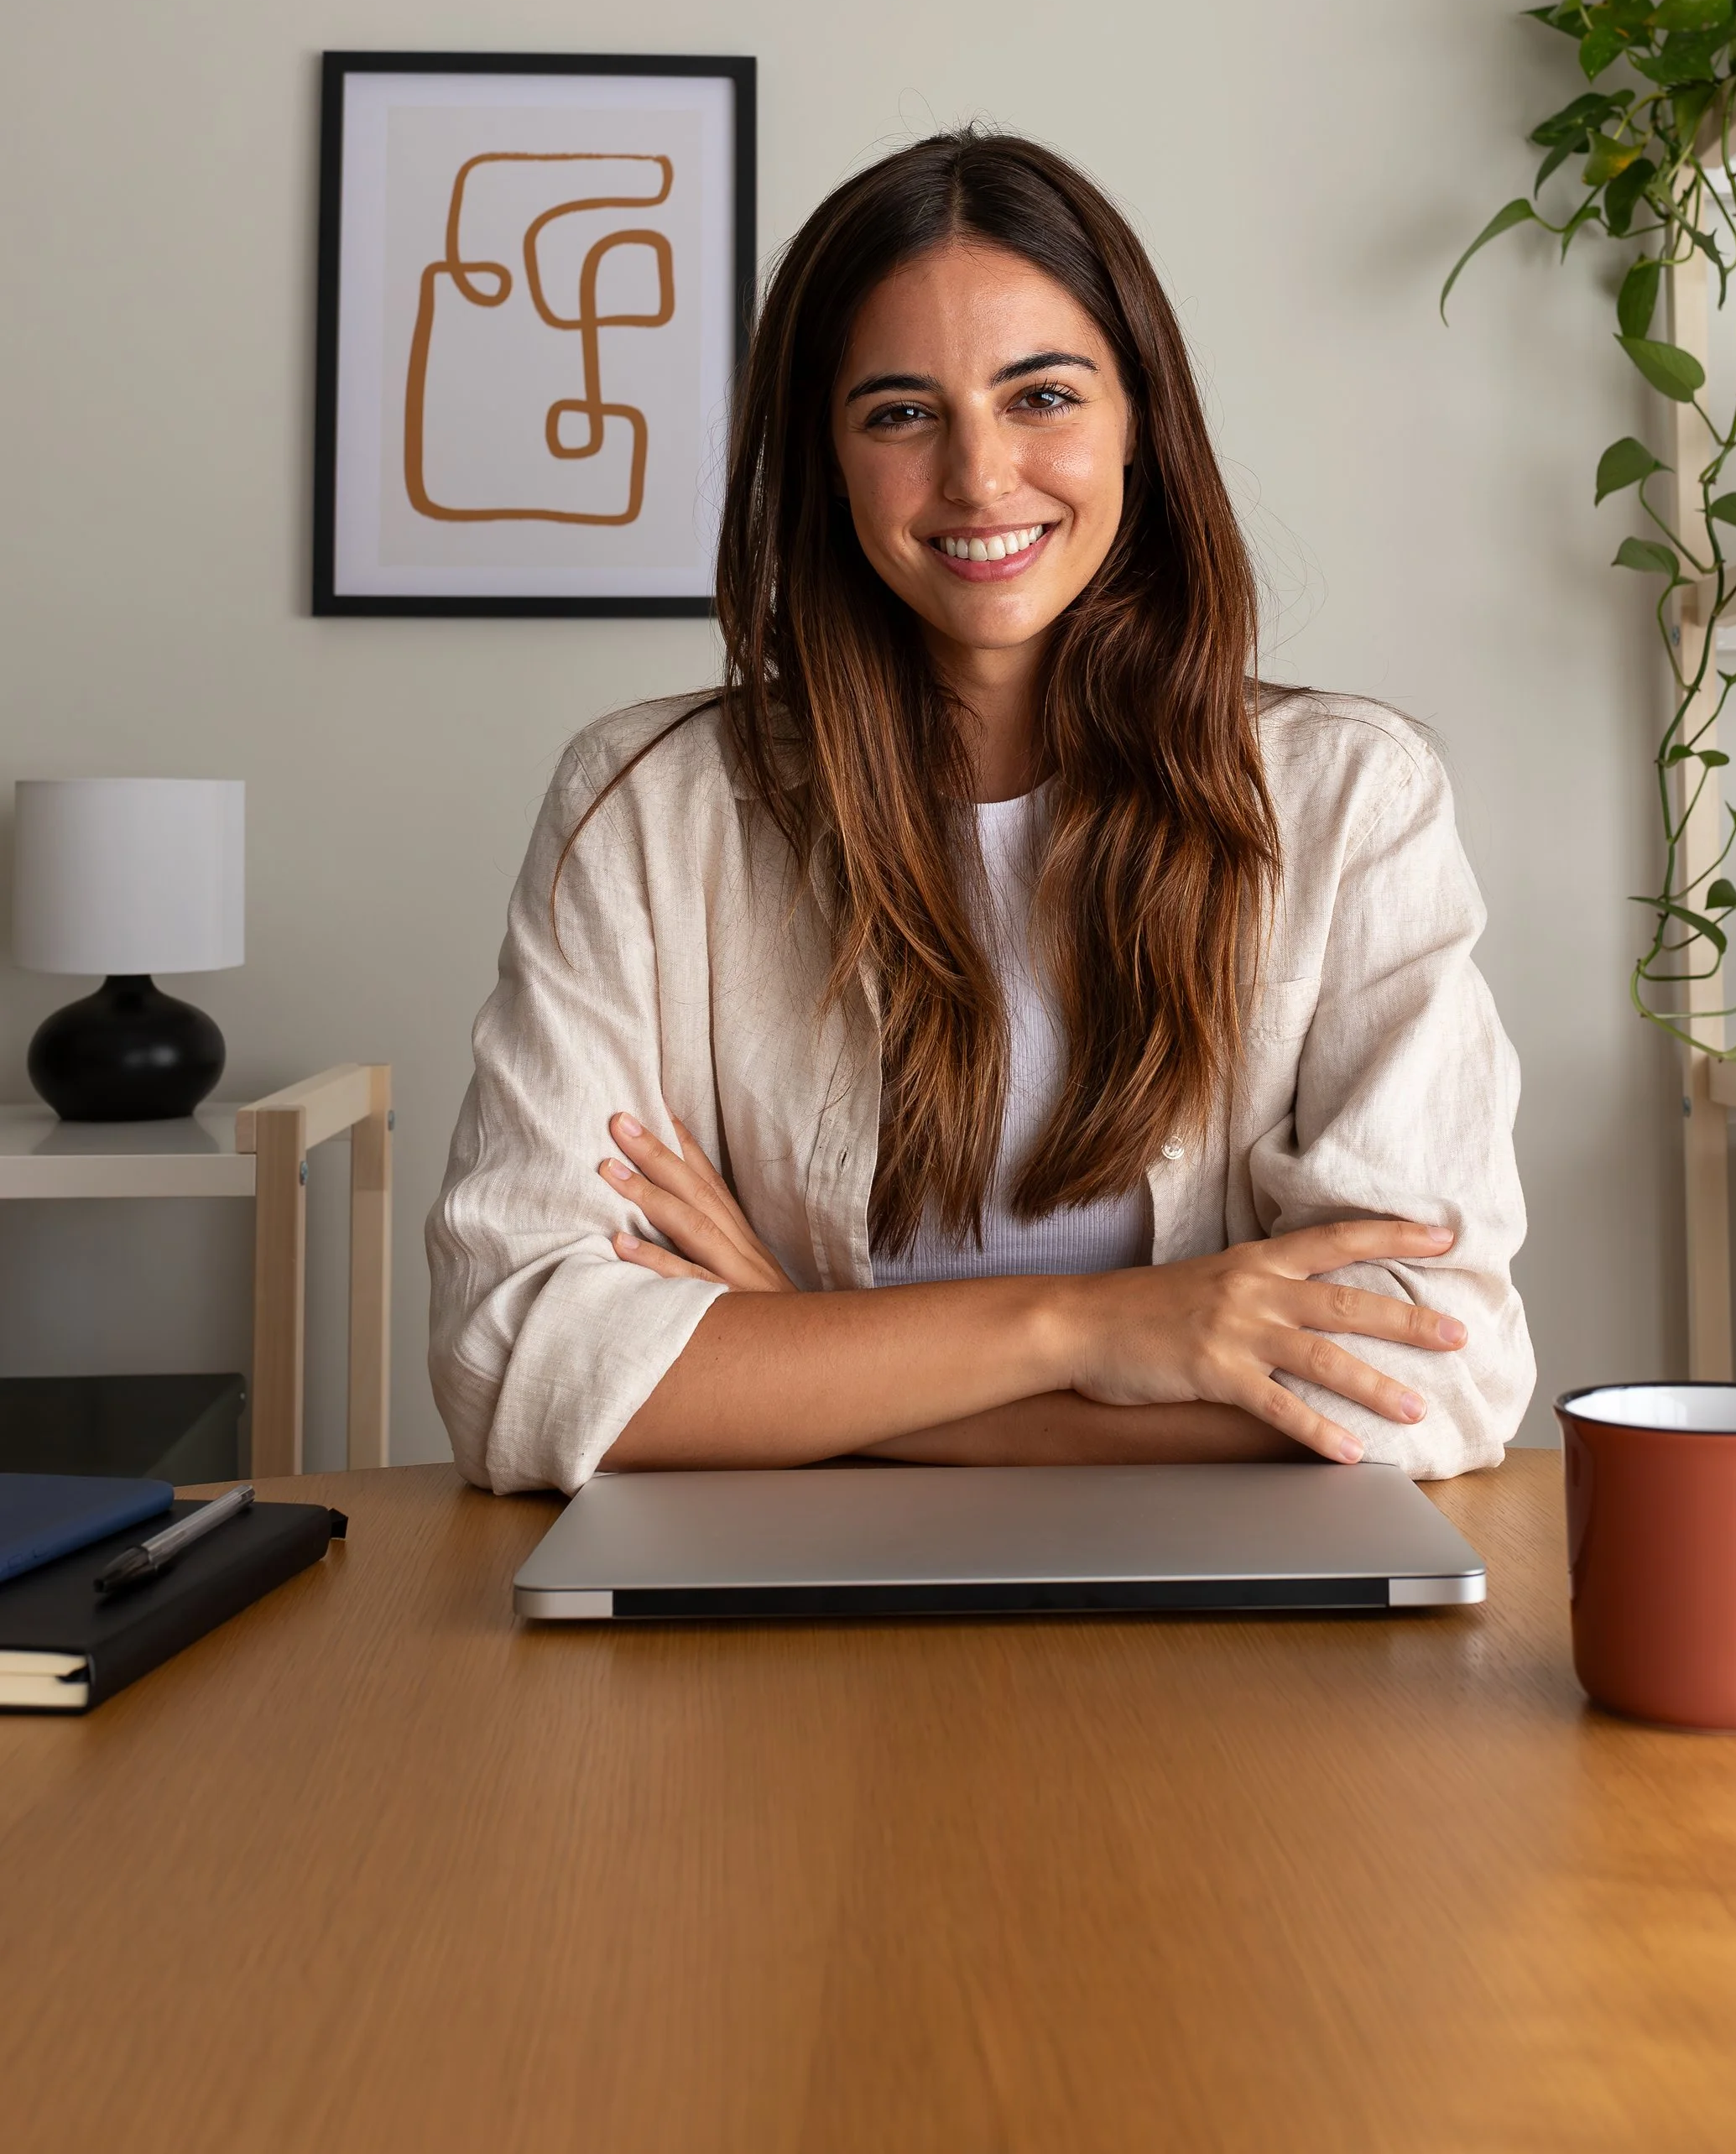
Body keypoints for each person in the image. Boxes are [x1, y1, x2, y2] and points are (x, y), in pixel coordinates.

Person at [428, 133, 1532, 1494]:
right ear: (825, 456)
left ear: (1142, 418)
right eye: (900, 411)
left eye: (1042, 396)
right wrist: (1086, 1328)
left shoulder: (1353, 799)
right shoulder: (647, 807)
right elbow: (516, 1360)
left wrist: (792, 1352)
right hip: (778, 1614)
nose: (980, 477)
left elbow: (1434, 1378)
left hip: (1223, 1610)